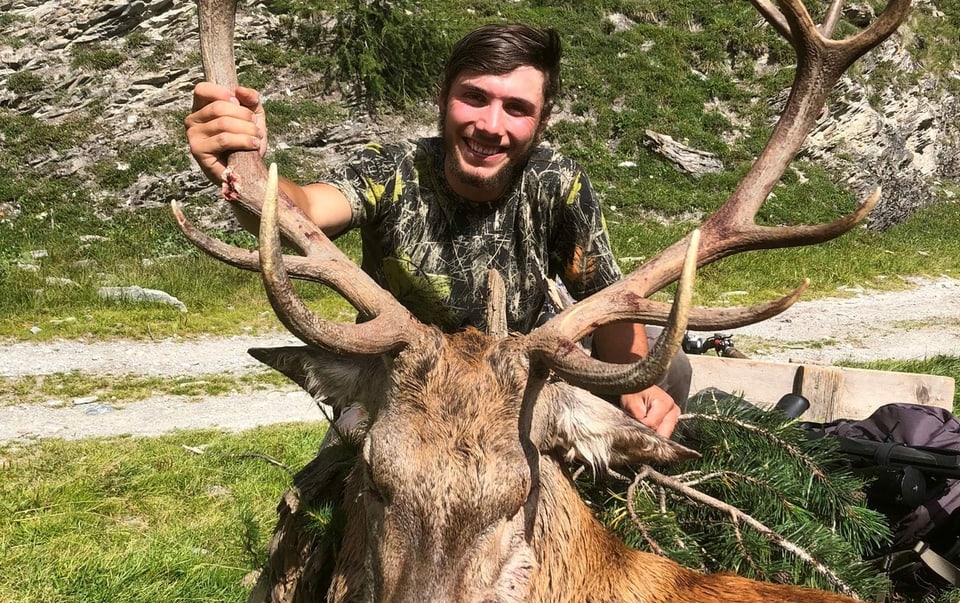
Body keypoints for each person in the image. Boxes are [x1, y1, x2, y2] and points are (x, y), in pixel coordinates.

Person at [185, 23, 686, 437]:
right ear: (443, 97)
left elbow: (608, 300)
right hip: (403, 391)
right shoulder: (392, 171)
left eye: (517, 108)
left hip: (512, 391)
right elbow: (305, 209)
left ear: (543, 118)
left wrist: (631, 386)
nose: (491, 125)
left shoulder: (557, 183)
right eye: (474, 98)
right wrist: (241, 169)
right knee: (341, 493)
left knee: (670, 366)